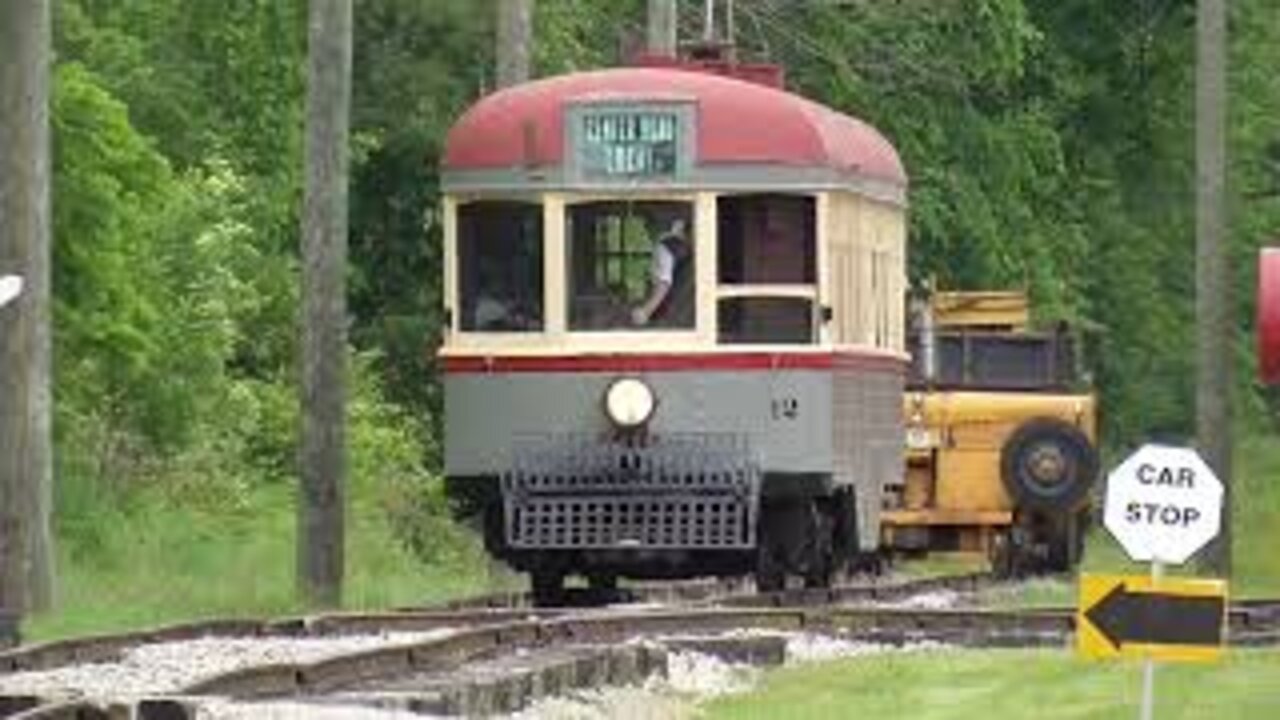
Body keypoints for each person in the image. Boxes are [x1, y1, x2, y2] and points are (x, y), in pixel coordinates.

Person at [631, 218, 690, 326]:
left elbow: (664, 283)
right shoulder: (682, 246)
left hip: (670, 315)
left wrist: (645, 311)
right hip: (684, 313)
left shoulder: (665, 247)